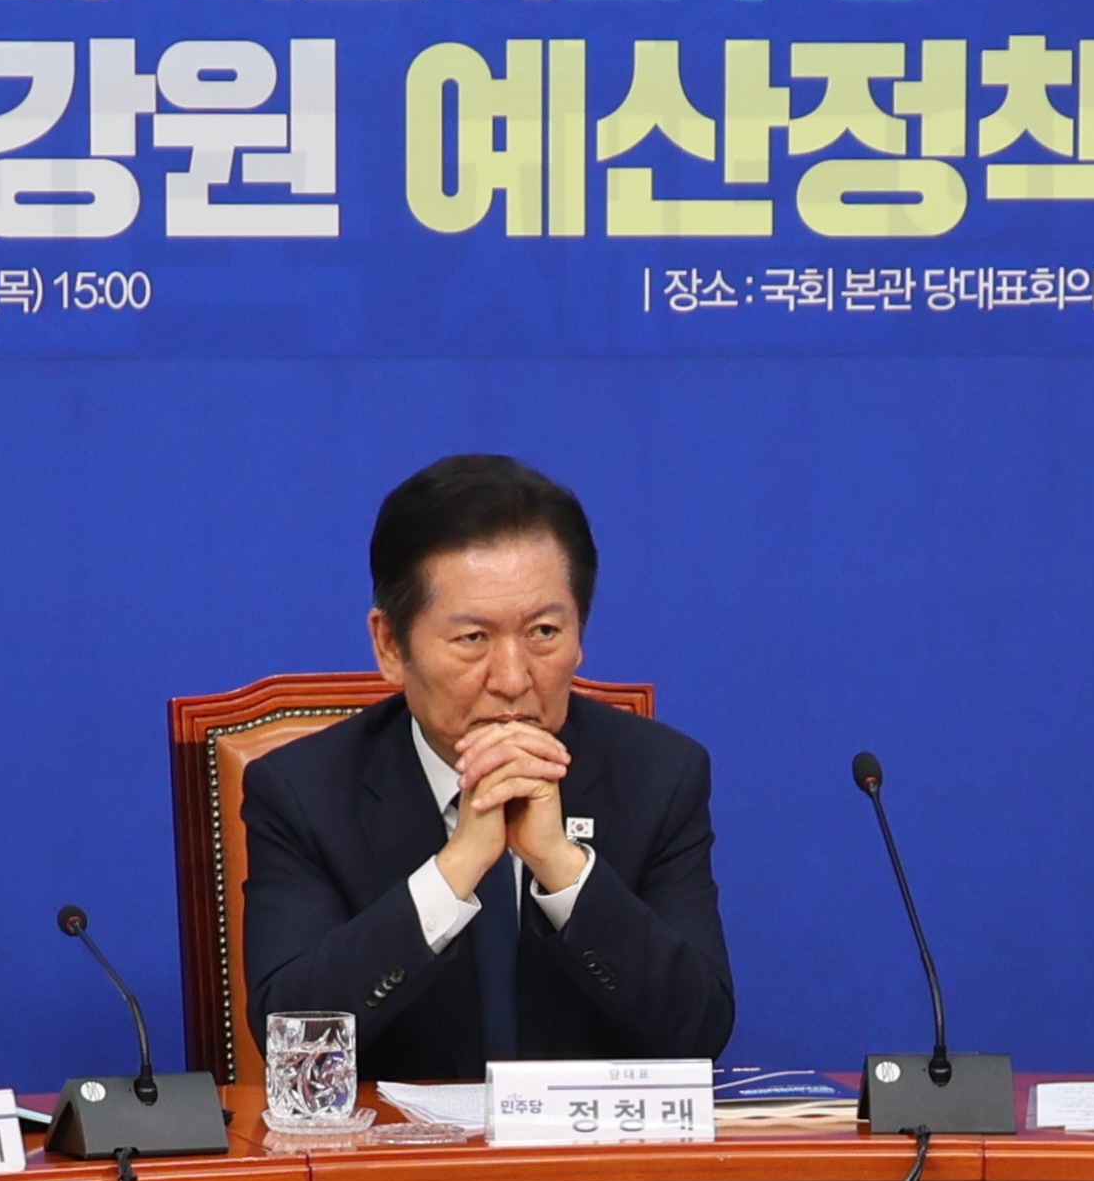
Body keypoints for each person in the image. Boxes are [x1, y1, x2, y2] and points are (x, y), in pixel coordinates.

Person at [244, 453, 734, 1079]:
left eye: (543, 632)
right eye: (472, 639)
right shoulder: (304, 792)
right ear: (390, 645)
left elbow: (697, 1033)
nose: (511, 679)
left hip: (587, 1143)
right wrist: (456, 868)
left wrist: (561, 866)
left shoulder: (659, 776)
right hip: (398, 1143)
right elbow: (295, 1043)